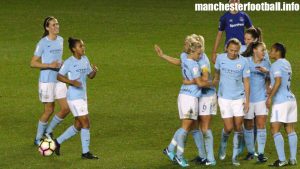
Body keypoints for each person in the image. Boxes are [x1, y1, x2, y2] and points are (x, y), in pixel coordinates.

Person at [155, 35, 217, 166]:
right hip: (193, 95)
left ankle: (208, 158)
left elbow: (204, 77)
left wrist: (189, 81)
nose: (184, 45)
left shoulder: (203, 59)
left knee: (201, 127)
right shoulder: (189, 57)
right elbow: (181, 63)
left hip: (205, 95)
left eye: (186, 43)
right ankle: (184, 154)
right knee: (190, 126)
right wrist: (214, 82)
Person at [54, 37, 99, 159]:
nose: (83, 48)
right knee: (86, 123)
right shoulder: (69, 62)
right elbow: (59, 76)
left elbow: (90, 76)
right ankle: (85, 152)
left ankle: (57, 142)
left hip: (83, 96)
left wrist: (94, 71)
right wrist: (71, 82)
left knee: (78, 125)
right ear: (74, 49)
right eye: (80, 46)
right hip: (74, 98)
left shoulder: (85, 59)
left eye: (83, 46)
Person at [30, 16, 70, 145]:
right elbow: (33, 63)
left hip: (59, 78)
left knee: (66, 108)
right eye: (53, 25)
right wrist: (49, 65)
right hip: (47, 80)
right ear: (47, 28)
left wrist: (62, 64)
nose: (56, 26)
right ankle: (38, 138)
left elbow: (57, 58)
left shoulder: (60, 40)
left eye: (57, 24)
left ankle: (48, 131)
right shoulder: (42, 43)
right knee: (49, 110)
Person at [213, 38, 250, 166]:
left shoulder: (244, 61)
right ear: (226, 48)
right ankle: (223, 144)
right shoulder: (220, 58)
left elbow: (246, 81)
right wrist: (214, 87)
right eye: (231, 50)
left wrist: (248, 101)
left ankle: (235, 156)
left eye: (236, 51)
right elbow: (216, 74)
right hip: (224, 98)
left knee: (238, 127)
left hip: (239, 98)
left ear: (239, 50)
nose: (233, 53)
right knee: (228, 128)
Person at [267, 43, 297, 167]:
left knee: (274, 129)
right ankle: (293, 159)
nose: (270, 51)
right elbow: (280, 79)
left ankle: (282, 159)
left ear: (277, 52)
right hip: (291, 100)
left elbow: (278, 81)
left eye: (272, 50)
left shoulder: (275, 65)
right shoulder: (286, 63)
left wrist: (269, 97)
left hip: (281, 102)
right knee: (290, 129)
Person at [241, 42, 270, 162]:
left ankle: (261, 154)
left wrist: (267, 72)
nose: (264, 52)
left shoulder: (266, 63)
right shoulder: (245, 61)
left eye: (265, 50)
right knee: (248, 125)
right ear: (254, 50)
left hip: (261, 99)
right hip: (247, 99)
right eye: (262, 50)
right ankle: (251, 152)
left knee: (261, 125)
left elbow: (272, 79)